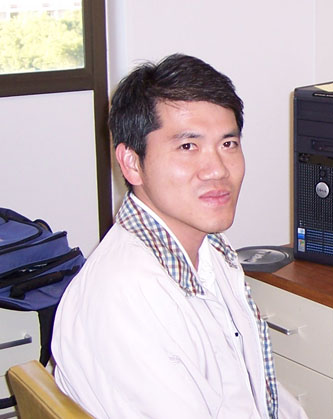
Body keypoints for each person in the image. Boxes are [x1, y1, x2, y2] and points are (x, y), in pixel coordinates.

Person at [51, 53, 307, 419]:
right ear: (132, 163)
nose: (217, 170)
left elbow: (252, 390)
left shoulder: (209, 251)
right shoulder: (128, 296)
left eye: (228, 144)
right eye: (188, 147)